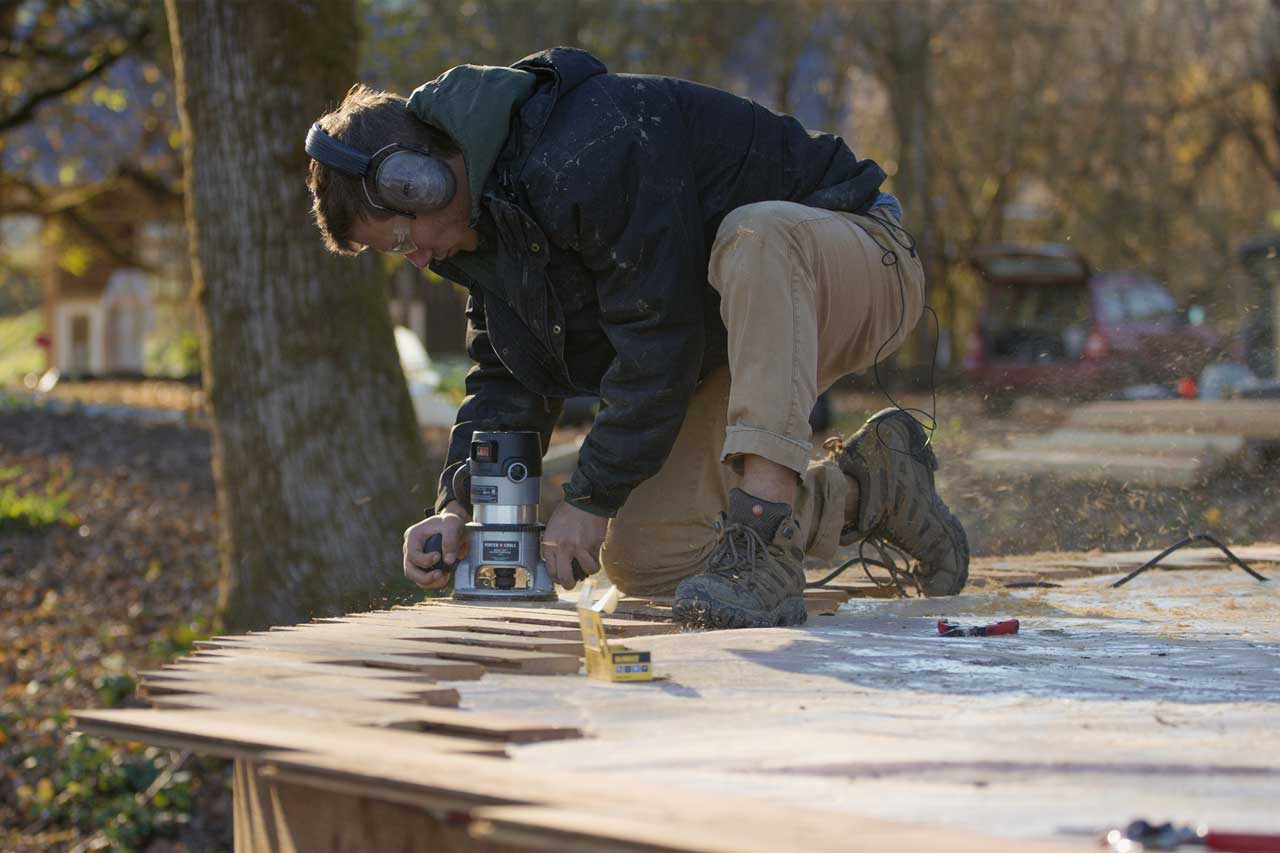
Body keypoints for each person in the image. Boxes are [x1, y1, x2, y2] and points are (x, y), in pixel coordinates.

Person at [304, 47, 968, 629]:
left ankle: (764, 532)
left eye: (399, 238)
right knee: (647, 556)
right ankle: (871, 487)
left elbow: (656, 341)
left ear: (416, 179)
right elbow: (507, 375)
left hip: (854, 257)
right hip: (724, 330)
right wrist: (457, 505)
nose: (413, 258)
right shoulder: (485, 234)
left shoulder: (589, 141)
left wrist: (588, 500)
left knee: (756, 236)